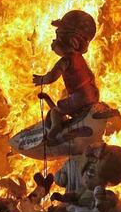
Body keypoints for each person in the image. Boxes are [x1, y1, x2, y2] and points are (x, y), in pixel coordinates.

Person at [32, 10, 99, 141]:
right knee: (63, 103)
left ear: (73, 41)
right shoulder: (79, 58)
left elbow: (52, 77)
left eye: (58, 37)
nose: (54, 42)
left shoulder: (67, 60)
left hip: (80, 98)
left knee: (56, 111)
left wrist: (41, 79)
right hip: (92, 95)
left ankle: (54, 131)